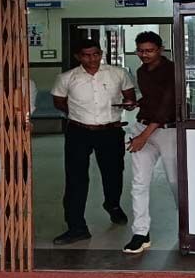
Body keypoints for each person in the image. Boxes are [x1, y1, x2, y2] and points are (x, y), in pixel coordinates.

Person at [50, 38, 137, 245]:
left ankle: (112, 204)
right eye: (86, 55)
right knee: (76, 179)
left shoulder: (118, 74)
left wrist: (129, 104)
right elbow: (59, 102)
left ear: (101, 53)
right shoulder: (67, 78)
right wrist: (80, 114)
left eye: (96, 54)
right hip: (78, 132)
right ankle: (76, 227)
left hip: (110, 131)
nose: (92, 59)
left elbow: (130, 96)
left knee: (113, 173)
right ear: (78, 57)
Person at [123, 31, 177, 254]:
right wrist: (136, 103)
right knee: (139, 183)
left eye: (150, 51)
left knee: (176, 182)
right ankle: (140, 233)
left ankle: (189, 229)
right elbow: (152, 98)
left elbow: (166, 107)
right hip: (142, 126)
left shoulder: (172, 70)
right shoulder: (141, 71)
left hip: (167, 131)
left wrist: (143, 137)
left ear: (160, 50)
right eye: (140, 51)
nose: (144, 55)